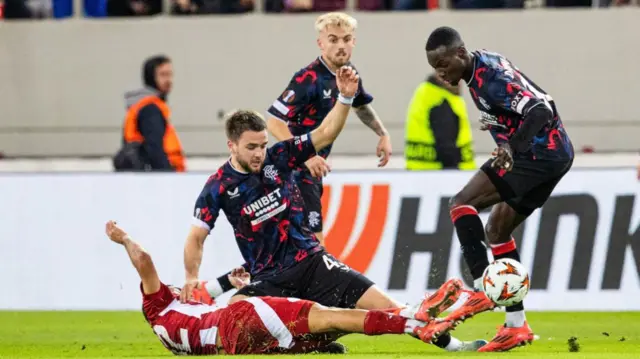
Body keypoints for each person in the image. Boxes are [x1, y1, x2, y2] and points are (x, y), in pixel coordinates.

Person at [182, 66, 486, 352]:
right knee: (233, 322)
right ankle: (310, 343)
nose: (260, 153)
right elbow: (196, 237)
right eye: (251, 147)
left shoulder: (280, 157)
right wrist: (190, 276)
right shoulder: (218, 186)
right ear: (231, 145)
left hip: (314, 263)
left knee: (388, 306)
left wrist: (343, 97)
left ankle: (454, 346)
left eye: (262, 145)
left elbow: (325, 134)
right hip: (269, 279)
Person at [423, 26, 574, 352]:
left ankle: (480, 287)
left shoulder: (489, 78)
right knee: (497, 229)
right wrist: (503, 135)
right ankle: (516, 327)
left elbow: (540, 110)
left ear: (460, 53)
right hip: (554, 155)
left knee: (461, 203)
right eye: (435, 67)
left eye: (443, 64)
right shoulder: (479, 71)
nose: (440, 72)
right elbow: (514, 112)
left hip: (538, 153)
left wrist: (512, 148)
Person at [105, 220, 464, 355]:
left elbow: (204, 296)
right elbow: (146, 262)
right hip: (240, 316)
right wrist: (123, 239)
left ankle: (325, 346)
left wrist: (231, 280)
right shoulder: (157, 305)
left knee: (325, 335)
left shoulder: (171, 332)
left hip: (235, 347)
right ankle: (413, 321)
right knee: (327, 317)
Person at [266, 12, 392, 246]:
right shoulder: (308, 78)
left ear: (354, 41)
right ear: (321, 43)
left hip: (312, 170)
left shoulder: (348, 73)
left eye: (346, 39)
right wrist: (306, 155)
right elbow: (273, 122)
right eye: (333, 39)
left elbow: (360, 105)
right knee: (315, 245)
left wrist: (382, 133)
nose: (341, 46)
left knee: (299, 247)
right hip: (295, 170)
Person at [114, 55, 186, 172]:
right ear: (151, 77)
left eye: (170, 74)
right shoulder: (150, 108)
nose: (168, 80)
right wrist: (167, 177)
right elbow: (155, 148)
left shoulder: (142, 105)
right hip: (161, 175)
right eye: (163, 75)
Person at [405, 72, 475, 170]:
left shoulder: (426, 93)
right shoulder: (441, 100)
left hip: (422, 172)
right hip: (441, 176)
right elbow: (447, 149)